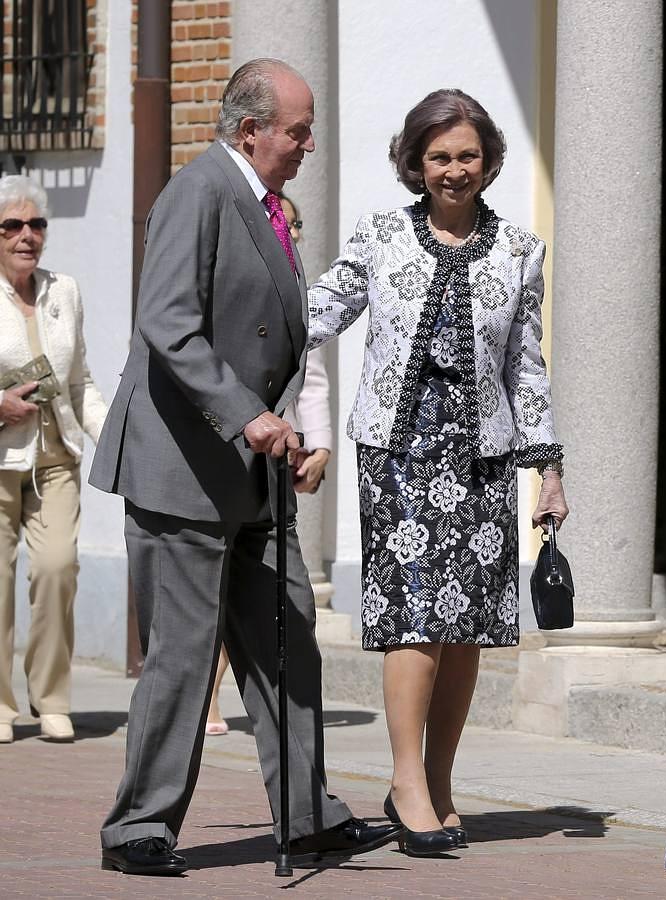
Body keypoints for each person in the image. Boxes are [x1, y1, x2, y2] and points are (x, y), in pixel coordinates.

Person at [89, 58, 400, 876]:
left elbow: (280, 335)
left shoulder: (267, 208)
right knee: (184, 657)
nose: (306, 146)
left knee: (289, 641)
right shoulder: (201, 191)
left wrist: (296, 425)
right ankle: (138, 829)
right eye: (296, 131)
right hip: (183, 468)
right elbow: (166, 322)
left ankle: (307, 817)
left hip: (253, 479)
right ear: (248, 128)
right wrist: (250, 415)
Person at [308, 88, 567, 856]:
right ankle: (405, 782)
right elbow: (314, 312)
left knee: (467, 628)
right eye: (440, 157)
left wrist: (548, 469)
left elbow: (526, 362)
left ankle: (441, 781)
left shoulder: (522, 250)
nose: (454, 171)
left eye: (468, 156)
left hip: (482, 453)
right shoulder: (381, 236)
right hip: (398, 451)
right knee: (417, 615)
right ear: (415, 163)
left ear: (488, 162)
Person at [206, 191, 331, 737]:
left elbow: (312, 373)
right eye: (285, 223)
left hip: (280, 458)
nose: (294, 234)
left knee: (280, 599)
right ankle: (206, 697)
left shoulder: (300, 286)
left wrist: (320, 444)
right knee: (219, 592)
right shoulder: (238, 278)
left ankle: (302, 791)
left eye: (296, 224)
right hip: (224, 455)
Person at [0, 175, 108, 745]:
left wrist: (110, 433)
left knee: (57, 568)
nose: (26, 236)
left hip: (55, 456)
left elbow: (79, 379)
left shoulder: (63, 290)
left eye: (36, 225)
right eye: (12, 226)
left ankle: (52, 699)